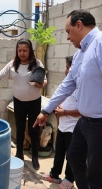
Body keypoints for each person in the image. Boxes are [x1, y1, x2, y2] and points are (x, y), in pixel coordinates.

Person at [33, 10, 102, 189]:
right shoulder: (80, 54)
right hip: (85, 122)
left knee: (97, 175)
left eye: (68, 31)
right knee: (74, 158)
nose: (67, 37)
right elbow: (67, 84)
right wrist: (46, 110)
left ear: (79, 25)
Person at [0, 38, 47, 170]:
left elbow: (44, 80)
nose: (21, 53)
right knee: (19, 129)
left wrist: (41, 84)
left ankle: (35, 157)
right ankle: (19, 154)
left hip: (34, 103)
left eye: (24, 50)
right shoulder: (13, 65)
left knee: (34, 130)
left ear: (30, 51)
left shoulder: (37, 63)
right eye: (19, 50)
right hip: (19, 102)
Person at [40, 56, 81, 189]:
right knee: (59, 152)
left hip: (74, 128)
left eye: (69, 68)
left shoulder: (82, 87)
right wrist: (58, 111)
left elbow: (83, 110)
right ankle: (55, 174)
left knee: (71, 156)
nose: (66, 71)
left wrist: (64, 113)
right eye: (66, 68)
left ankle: (69, 179)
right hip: (63, 125)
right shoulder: (68, 84)